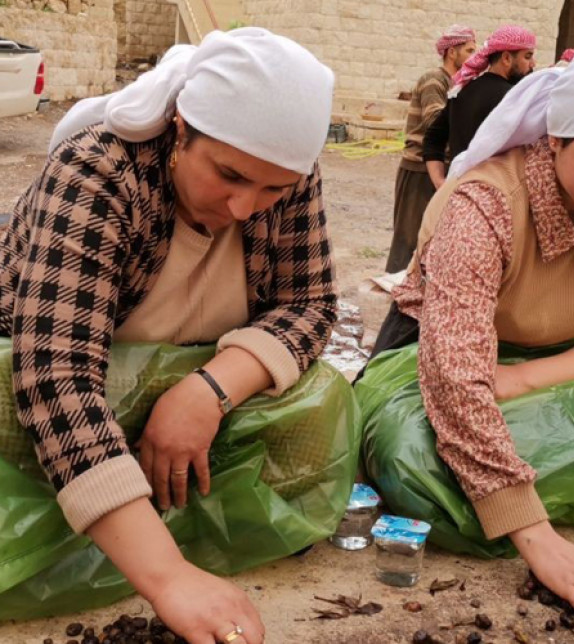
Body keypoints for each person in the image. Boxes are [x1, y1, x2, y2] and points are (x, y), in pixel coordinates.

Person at [0, 28, 338, 643]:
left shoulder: (289, 177)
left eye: (272, 189)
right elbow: (55, 377)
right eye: (229, 175)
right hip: (47, 407)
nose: (245, 207)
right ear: (180, 128)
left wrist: (207, 392)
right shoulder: (97, 170)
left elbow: (309, 306)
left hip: (184, 389)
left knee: (325, 393)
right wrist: (168, 579)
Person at [366, 41, 574, 626]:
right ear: (556, 139)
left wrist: (521, 379)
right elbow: (456, 376)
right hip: (429, 363)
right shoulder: (483, 206)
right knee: (416, 467)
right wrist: (539, 540)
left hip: (553, 366)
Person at [384, 25, 476, 273]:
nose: (473, 56)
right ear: (451, 52)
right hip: (418, 168)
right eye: (469, 50)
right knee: (409, 240)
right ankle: (395, 295)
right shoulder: (433, 80)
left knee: (431, 240)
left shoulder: (457, 83)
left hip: (438, 167)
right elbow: (434, 120)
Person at [422, 25, 536, 189]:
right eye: (527, 56)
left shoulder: (461, 91)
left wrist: (440, 184)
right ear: (506, 58)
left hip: (458, 194)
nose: (532, 64)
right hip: (492, 198)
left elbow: (432, 139)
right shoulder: (512, 99)